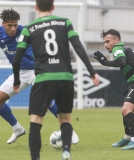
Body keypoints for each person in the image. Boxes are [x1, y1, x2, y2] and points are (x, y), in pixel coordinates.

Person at [0, 8, 79, 145]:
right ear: (3, 24)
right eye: (10, 25)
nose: (13, 28)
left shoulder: (25, 31)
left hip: (37, 70)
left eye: (15, 25)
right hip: (20, 73)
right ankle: (17, 129)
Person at [12, 0, 100, 159]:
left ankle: (35, 157)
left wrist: (17, 80)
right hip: (65, 77)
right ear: (53, 7)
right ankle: (66, 150)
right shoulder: (65, 22)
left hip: (43, 78)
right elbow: (78, 47)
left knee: (36, 120)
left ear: (36, 7)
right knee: (65, 118)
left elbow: (17, 57)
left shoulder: (29, 28)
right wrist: (92, 71)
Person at [94, 29, 134, 150]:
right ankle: (127, 137)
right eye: (104, 42)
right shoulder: (125, 48)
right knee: (126, 111)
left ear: (116, 40)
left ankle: (132, 139)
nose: (105, 45)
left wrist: (104, 62)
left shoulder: (117, 48)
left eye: (108, 41)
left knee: (126, 109)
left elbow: (121, 61)